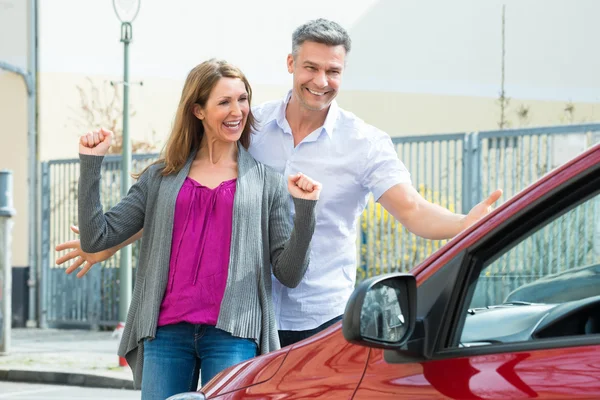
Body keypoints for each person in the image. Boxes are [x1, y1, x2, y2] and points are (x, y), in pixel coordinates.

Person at [57, 19, 501, 350]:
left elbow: (413, 211)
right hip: (247, 313)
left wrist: (467, 223)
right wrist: (108, 243)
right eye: (311, 67)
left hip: (321, 316)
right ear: (291, 64)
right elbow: (196, 192)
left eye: (333, 71)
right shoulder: (252, 123)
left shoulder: (364, 144)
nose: (321, 81)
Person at [73, 59, 322, 399]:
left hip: (233, 334)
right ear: (198, 110)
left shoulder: (266, 183)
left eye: (242, 98)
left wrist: (305, 211)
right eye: (224, 102)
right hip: (166, 333)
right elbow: (96, 237)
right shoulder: (160, 179)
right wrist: (91, 164)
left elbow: (289, 273)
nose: (238, 110)